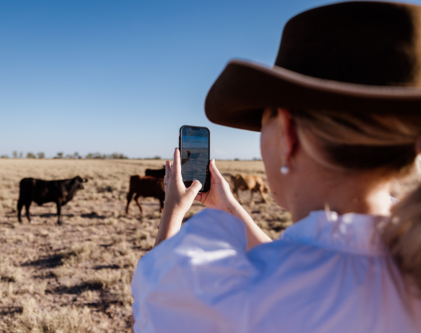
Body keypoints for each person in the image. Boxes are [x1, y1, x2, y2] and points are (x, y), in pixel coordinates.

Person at [132, 2, 421, 332]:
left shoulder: (241, 303)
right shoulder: (408, 250)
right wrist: (230, 207)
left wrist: (172, 210)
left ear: (288, 134)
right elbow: (314, 259)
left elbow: (152, 314)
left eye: (262, 123)